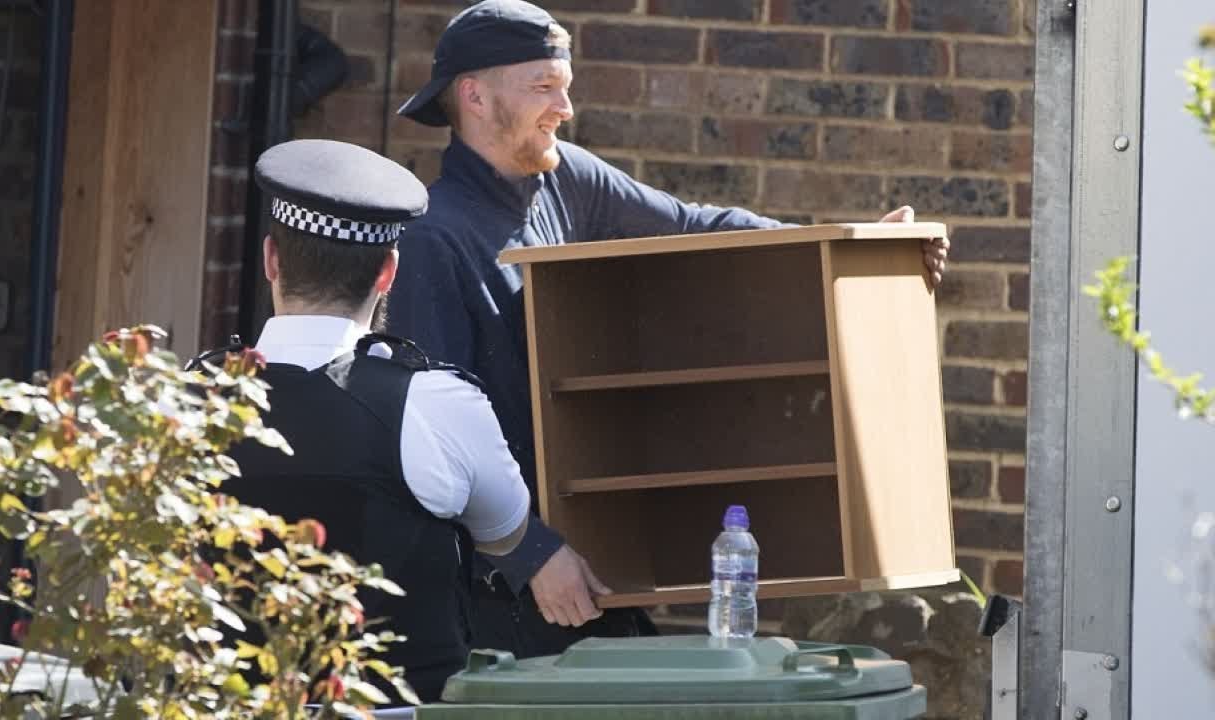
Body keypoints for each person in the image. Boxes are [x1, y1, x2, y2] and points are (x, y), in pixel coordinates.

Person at [387, 0, 951, 659]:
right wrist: (532, 553)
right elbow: (438, 438)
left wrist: (848, 253)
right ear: (475, 97)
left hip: (582, 576)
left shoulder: (568, 177)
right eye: (544, 88)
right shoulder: (432, 238)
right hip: (499, 597)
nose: (564, 109)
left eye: (566, 89)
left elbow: (690, 228)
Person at [218, 138, 532, 703]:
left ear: (271, 259)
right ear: (388, 271)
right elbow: (507, 534)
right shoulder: (439, 404)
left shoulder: (184, 407)